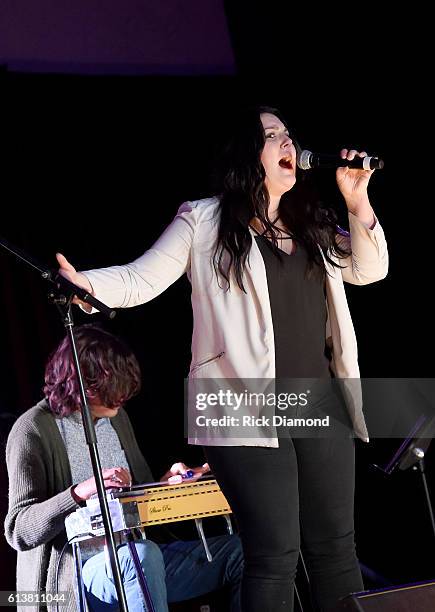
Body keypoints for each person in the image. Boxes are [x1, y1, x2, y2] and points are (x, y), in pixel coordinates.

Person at [56, 106, 388, 611]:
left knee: (336, 551)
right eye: (271, 135)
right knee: (275, 554)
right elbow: (141, 278)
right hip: (238, 408)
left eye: (288, 134)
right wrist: (88, 284)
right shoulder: (204, 220)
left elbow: (370, 269)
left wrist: (356, 200)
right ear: (245, 154)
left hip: (318, 403)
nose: (286, 142)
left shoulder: (311, 223)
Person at [4, 325, 243, 612]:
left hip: (139, 559)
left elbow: (137, 496)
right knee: (141, 557)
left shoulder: (116, 419)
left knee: (242, 552)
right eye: (112, 388)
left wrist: (165, 486)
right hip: (74, 579)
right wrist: (79, 492)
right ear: (87, 386)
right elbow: (18, 530)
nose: (121, 399)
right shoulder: (33, 429)